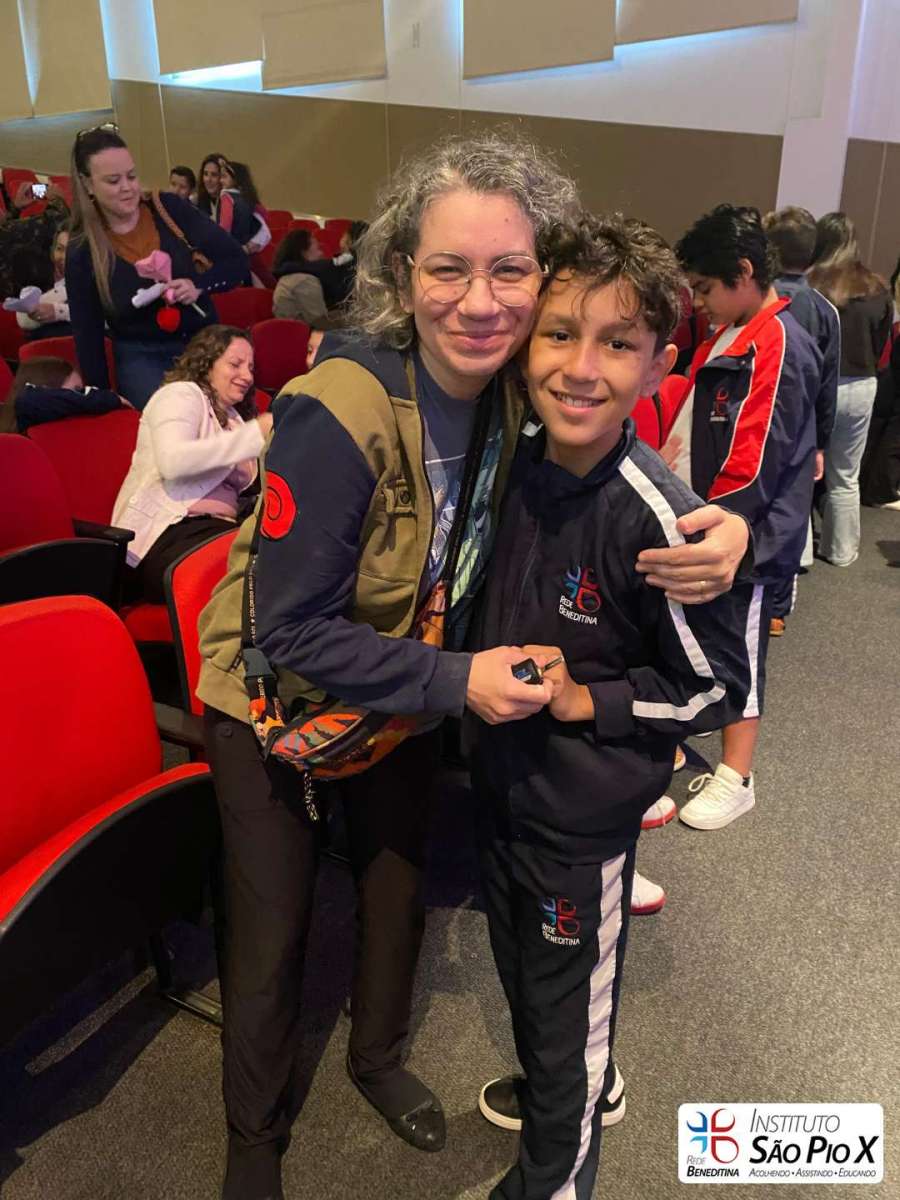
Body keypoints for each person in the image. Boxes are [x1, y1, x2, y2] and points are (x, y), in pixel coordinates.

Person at [194, 132, 751, 1200]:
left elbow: (618, 462)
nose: (481, 302)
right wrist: (459, 683)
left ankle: (377, 1059)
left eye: (510, 271)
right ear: (403, 271)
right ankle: (252, 1146)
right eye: (449, 268)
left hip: (406, 687)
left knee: (396, 887)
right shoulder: (341, 407)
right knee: (271, 931)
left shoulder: (513, 396)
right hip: (279, 697)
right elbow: (289, 631)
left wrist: (731, 528)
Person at [471, 212, 755, 1200]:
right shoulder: (512, 459)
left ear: (660, 363)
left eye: (618, 343)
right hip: (499, 792)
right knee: (529, 985)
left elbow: (714, 686)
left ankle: (557, 1173)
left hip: (578, 826)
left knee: (566, 1029)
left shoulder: (660, 520)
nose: (581, 368)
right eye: (559, 333)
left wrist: (586, 699)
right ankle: (569, 1088)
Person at [662, 204, 820, 831]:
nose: (699, 303)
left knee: (738, 646)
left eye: (705, 288)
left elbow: (757, 456)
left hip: (742, 534)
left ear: (744, 272)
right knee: (687, 632)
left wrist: (723, 526)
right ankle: (675, 740)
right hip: (704, 516)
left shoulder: (776, 340)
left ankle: (738, 776)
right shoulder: (733, 331)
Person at [66, 125, 250, 409]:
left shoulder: (169, 208)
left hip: (203, 341)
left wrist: (198, 285)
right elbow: (87, 336)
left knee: (231, 416)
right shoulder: (82, 250)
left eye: (131, 176)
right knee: (176, 418)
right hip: (142, 355)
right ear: (87, 185)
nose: (127, 187)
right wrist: (102, 399)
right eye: (113, 181)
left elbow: (236, 261)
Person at [112, 324, 270, 602]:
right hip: (170, 532)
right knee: (262, 569)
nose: (247, 376)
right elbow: (173, 462)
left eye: (251, 368)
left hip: (220, 531)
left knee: (288, 551)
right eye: (235, 364)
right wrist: (253, 434)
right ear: (206, 363)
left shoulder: (235, 419)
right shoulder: (181, 394)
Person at [763, 205, 841, 631]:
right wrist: (821, 444)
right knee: (790, 514)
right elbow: (828, 385)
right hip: (801, 429)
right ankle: (775, 609)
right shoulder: (825, 310)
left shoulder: (757, 301)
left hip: (755, 419)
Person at [808, 212, 892, 566]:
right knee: (846, 476)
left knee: (802, 470)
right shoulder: (877, 287)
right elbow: (883, 345)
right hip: (862, 385)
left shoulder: (810, 287)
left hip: (818, 386)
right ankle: (841, 551)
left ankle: (799, 552)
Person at [0, 356, 123, 434]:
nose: (83, 396)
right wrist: (110, 399)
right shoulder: (30, 406)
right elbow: (31, 398)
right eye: (76, 391)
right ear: (47, 390)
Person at [272, 229, 356, 328]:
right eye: (317, 247)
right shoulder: (304, 280)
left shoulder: (292, 273)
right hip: (303, 334)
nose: (321, 252)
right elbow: (321, 323)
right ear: (304, 252)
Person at [6, 226, 71, 341]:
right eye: (59, 249)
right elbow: (23, 320)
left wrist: (59, 311)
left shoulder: (96, 281)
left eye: (71, 250)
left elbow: (103, 318)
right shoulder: (45, 278)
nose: (64, 257)